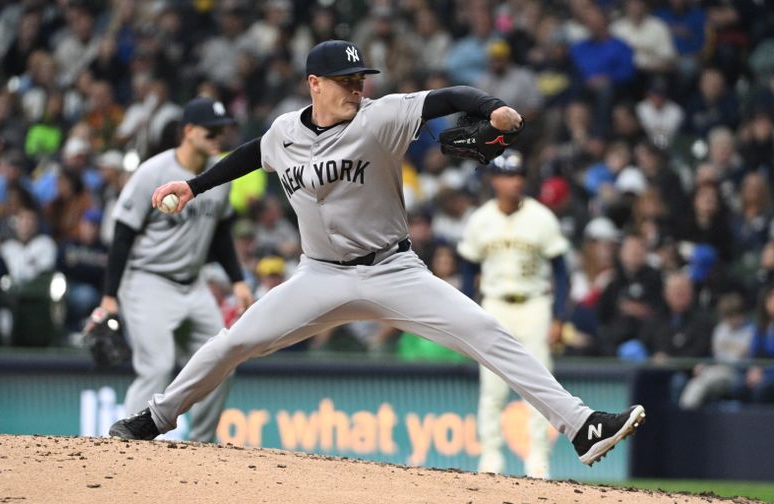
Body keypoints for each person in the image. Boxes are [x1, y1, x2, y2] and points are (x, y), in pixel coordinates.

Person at [109, 40, 645, 467]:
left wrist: (495, 109)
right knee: (234, 341)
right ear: (313, 84)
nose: (356, 88)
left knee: (488, 334)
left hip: (393, 269)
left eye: (360, 79)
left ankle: (580, 426)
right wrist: (195, 185)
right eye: (345, 81)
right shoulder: (282, 134)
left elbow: (450, 97)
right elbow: (251, 155)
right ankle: (155, 417)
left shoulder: (379, 117)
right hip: (318, 277)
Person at [92, 96, 254, 442]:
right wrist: (109, 296)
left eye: (221, 131)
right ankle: (126, 445)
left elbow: (221, 233)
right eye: (210, 131)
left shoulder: (219, 174)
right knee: (157, 365)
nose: (217, 137)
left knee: (224, 358)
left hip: (192, 284)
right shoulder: (153, 172)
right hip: (147, 281)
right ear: (189, 131)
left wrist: (238, 280)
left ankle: (203, 444)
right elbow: (122, 235)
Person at [457, 150, 570, 478]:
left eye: (519, 175)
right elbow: (467, 271)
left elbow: (561, 271)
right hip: (494, 305)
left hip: (535, 305)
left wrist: (560, 317)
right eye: (507, 175)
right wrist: (469, 312)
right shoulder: (480, 219)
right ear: (494, 180)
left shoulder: (541, 217)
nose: (514, 181)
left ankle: (538, 460)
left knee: (539, 384)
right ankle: (491, 458)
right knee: (492, 387)